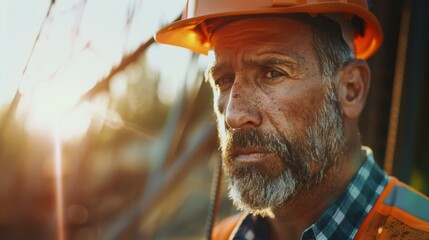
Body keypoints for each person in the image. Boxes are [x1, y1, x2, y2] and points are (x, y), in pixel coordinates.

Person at [155, 0, 429, 239]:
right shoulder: (222, 237)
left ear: (351, 90)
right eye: (224, 80)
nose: (235, 115)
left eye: (273, 73)